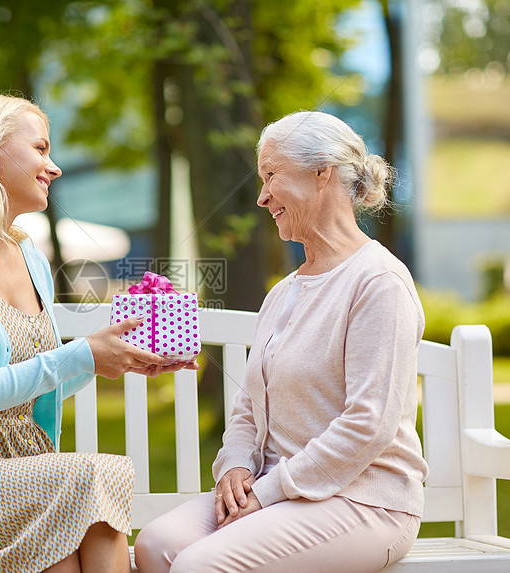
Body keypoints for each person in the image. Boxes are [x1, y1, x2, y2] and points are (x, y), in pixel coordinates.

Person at [0, 93, 196, 573]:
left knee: (65, 551)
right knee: (95, 474)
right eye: (41, 149)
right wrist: (81, 355)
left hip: (28, 480)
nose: (55, 167)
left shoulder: (29, 258)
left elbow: (35, 385)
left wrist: (113, 358)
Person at [134, 111, 428, 573]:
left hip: (366, 501)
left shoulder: (379, 282)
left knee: (198, 567)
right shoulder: (284, 291)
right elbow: (250, 403)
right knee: (154, 546)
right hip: (277, 488)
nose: (261, 196)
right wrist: (234, 466)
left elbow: (368, 424)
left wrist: (266, 493)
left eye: (271, 175)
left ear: (321, 174)